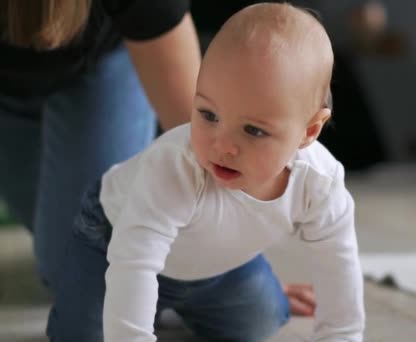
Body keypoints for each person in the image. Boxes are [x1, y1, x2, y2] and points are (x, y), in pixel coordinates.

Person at [46, 3, 365, 341]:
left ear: (309, 132)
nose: (222, 146)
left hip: (217, 268)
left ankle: (178, 307)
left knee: (262, 321)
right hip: (112, 242)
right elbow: (134, 263)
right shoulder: (175, 167)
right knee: (82, 335)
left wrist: (342, 336)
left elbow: (338, 263)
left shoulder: (319, 182)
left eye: (254, 130)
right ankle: (153, 308)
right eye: (209, 115)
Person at [0, 0, 315, 316]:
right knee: (77, 259)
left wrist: (240, 279)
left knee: (82, 274)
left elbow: (200, 139)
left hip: (103, 61)